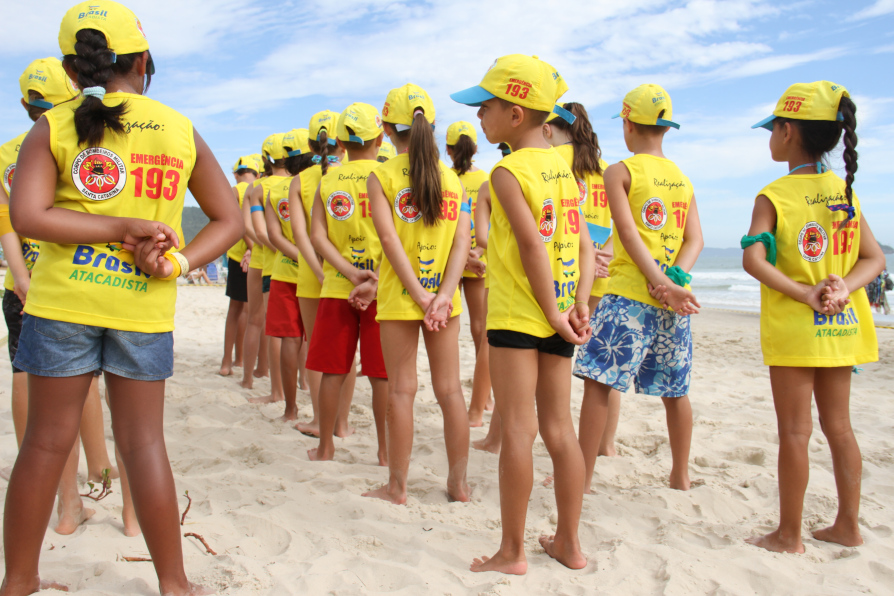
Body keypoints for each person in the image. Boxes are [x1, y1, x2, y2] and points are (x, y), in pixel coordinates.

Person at [3, 2, 243, 594]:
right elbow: (229, 219)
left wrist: (112, 225)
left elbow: (27, 216)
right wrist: (179, 262)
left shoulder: (51, 126)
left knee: (43, 444)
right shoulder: (176, 127)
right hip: (141, 308)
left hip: (61, 304)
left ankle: (19, 582)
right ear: (142, 60)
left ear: (70, 67)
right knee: (144, 445)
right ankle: (175, 584)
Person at [452, 54, 594, 573]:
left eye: (485, 107)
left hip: (518, 315)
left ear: (515, 113)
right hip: (559, 310)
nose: (479, 117)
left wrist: (558, 313)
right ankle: (569, 545)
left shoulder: (507, 171)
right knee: (560, 429)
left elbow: (534, 246)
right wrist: (575, 304)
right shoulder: (564, 169)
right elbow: (581, 244)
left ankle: (512, 552)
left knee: (518, 429)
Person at [742, 81, 884, 554]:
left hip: (797, 329)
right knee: (839, 427)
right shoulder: (843, 191)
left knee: (795, 433)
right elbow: (874, 259)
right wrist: (844, 285)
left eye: (773, 128)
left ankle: (788, 535)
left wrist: (804, 292)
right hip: (841, 326)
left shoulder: (774, 195)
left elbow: (754, 262)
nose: (770, 137)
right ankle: (848, 526)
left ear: (787, 131)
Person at [0, 56, 119, 532]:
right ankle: (98, 469)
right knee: (83, 382)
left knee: (26, 374)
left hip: (23, 282)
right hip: (78, 277)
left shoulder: (11, 149)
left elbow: (9, 224)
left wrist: (20, 276)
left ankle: (63, 490)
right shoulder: (76, 135)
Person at [573, 85, 702, 495]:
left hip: (628, 295)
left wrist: (659, 282)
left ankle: (584, 477)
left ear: (627, 123)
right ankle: (680, 474)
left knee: (599, 385)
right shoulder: (682, 178)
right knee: (675, 391)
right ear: (664, 129)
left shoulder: (621, 171)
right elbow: (693, 240)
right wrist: (673, 282)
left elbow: (627, 235)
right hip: (671, 304)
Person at [362, 83, 471, 505]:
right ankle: (458, 486)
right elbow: (462, 243)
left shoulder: (382, 176)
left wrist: (420, 297)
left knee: (401, 391)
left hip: (399, 297)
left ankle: (398, 487)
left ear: (388, 129)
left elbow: (389, 241)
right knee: (450, 392)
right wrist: (441, 295)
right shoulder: (454, 181)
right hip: (446, 300)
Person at [306, 103, 388, 464]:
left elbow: (317, 238)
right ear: (380, 137)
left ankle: (326, 447)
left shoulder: (328, 180)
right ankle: (386, 452)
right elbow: (398, 237)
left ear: (340, 143)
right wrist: (373, 276)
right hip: (383, 289)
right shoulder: (389, 177)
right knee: (382, 376)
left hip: (338, 287)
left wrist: (349, 273)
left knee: (332, 370)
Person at [545, 102, 621, 467]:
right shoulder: (605, 169)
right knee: (603, 371)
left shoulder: (553, 158)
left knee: (540, 360)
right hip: (603, 273)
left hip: (563, 271)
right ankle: (605, 445)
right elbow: (624, 221)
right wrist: (604, 253)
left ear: (552, 128)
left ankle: (499, 438)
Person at [289, 111, 357, 436]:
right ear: (341, 143)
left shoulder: (299, 181)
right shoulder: (355, 176)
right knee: (348, 352)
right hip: (348, 273)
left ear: (308, 143)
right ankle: (342, 423)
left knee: (318, 351)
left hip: (311, 273)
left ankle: (320, 421)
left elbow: (301, 236)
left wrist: (317, 272)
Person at [445, 121, 490, 427]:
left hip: (449, 258)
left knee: (449, 325)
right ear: (475, 148)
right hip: (479, 256)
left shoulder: (445, 178)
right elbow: (495, 224)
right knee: (480, 329)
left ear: (447, 149)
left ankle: (453, 391)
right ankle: (484, 396)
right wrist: (480, 253)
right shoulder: (487, 178)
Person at [262, 129, 308, 420]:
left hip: (284, 272)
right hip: (321, 273)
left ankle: (290, 409)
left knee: (290, 341)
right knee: (316, 341)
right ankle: (325, 411)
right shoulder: (320, 183)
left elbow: (273, 236)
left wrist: (297, 256)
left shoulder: (274, 191)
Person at [239, 136, 279, 392]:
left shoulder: (257, 188)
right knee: (297, 329)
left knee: (255, 320)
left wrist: (261, 247)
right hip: (294, 261)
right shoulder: (299, 184)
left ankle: (247, 379)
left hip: (262, 258)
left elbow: (247, 226)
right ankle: (302, 382)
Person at [219, 155, 259, 376]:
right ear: (258, 173)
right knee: (251, 310)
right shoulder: (261, 187)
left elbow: (237, 223)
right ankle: (245, 360)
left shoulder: (234, 191)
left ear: (236, 174)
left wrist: (248, 247)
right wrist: (255, 248)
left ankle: (229, 361)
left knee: (235, 309)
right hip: (260, 252)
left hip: (238, 255)